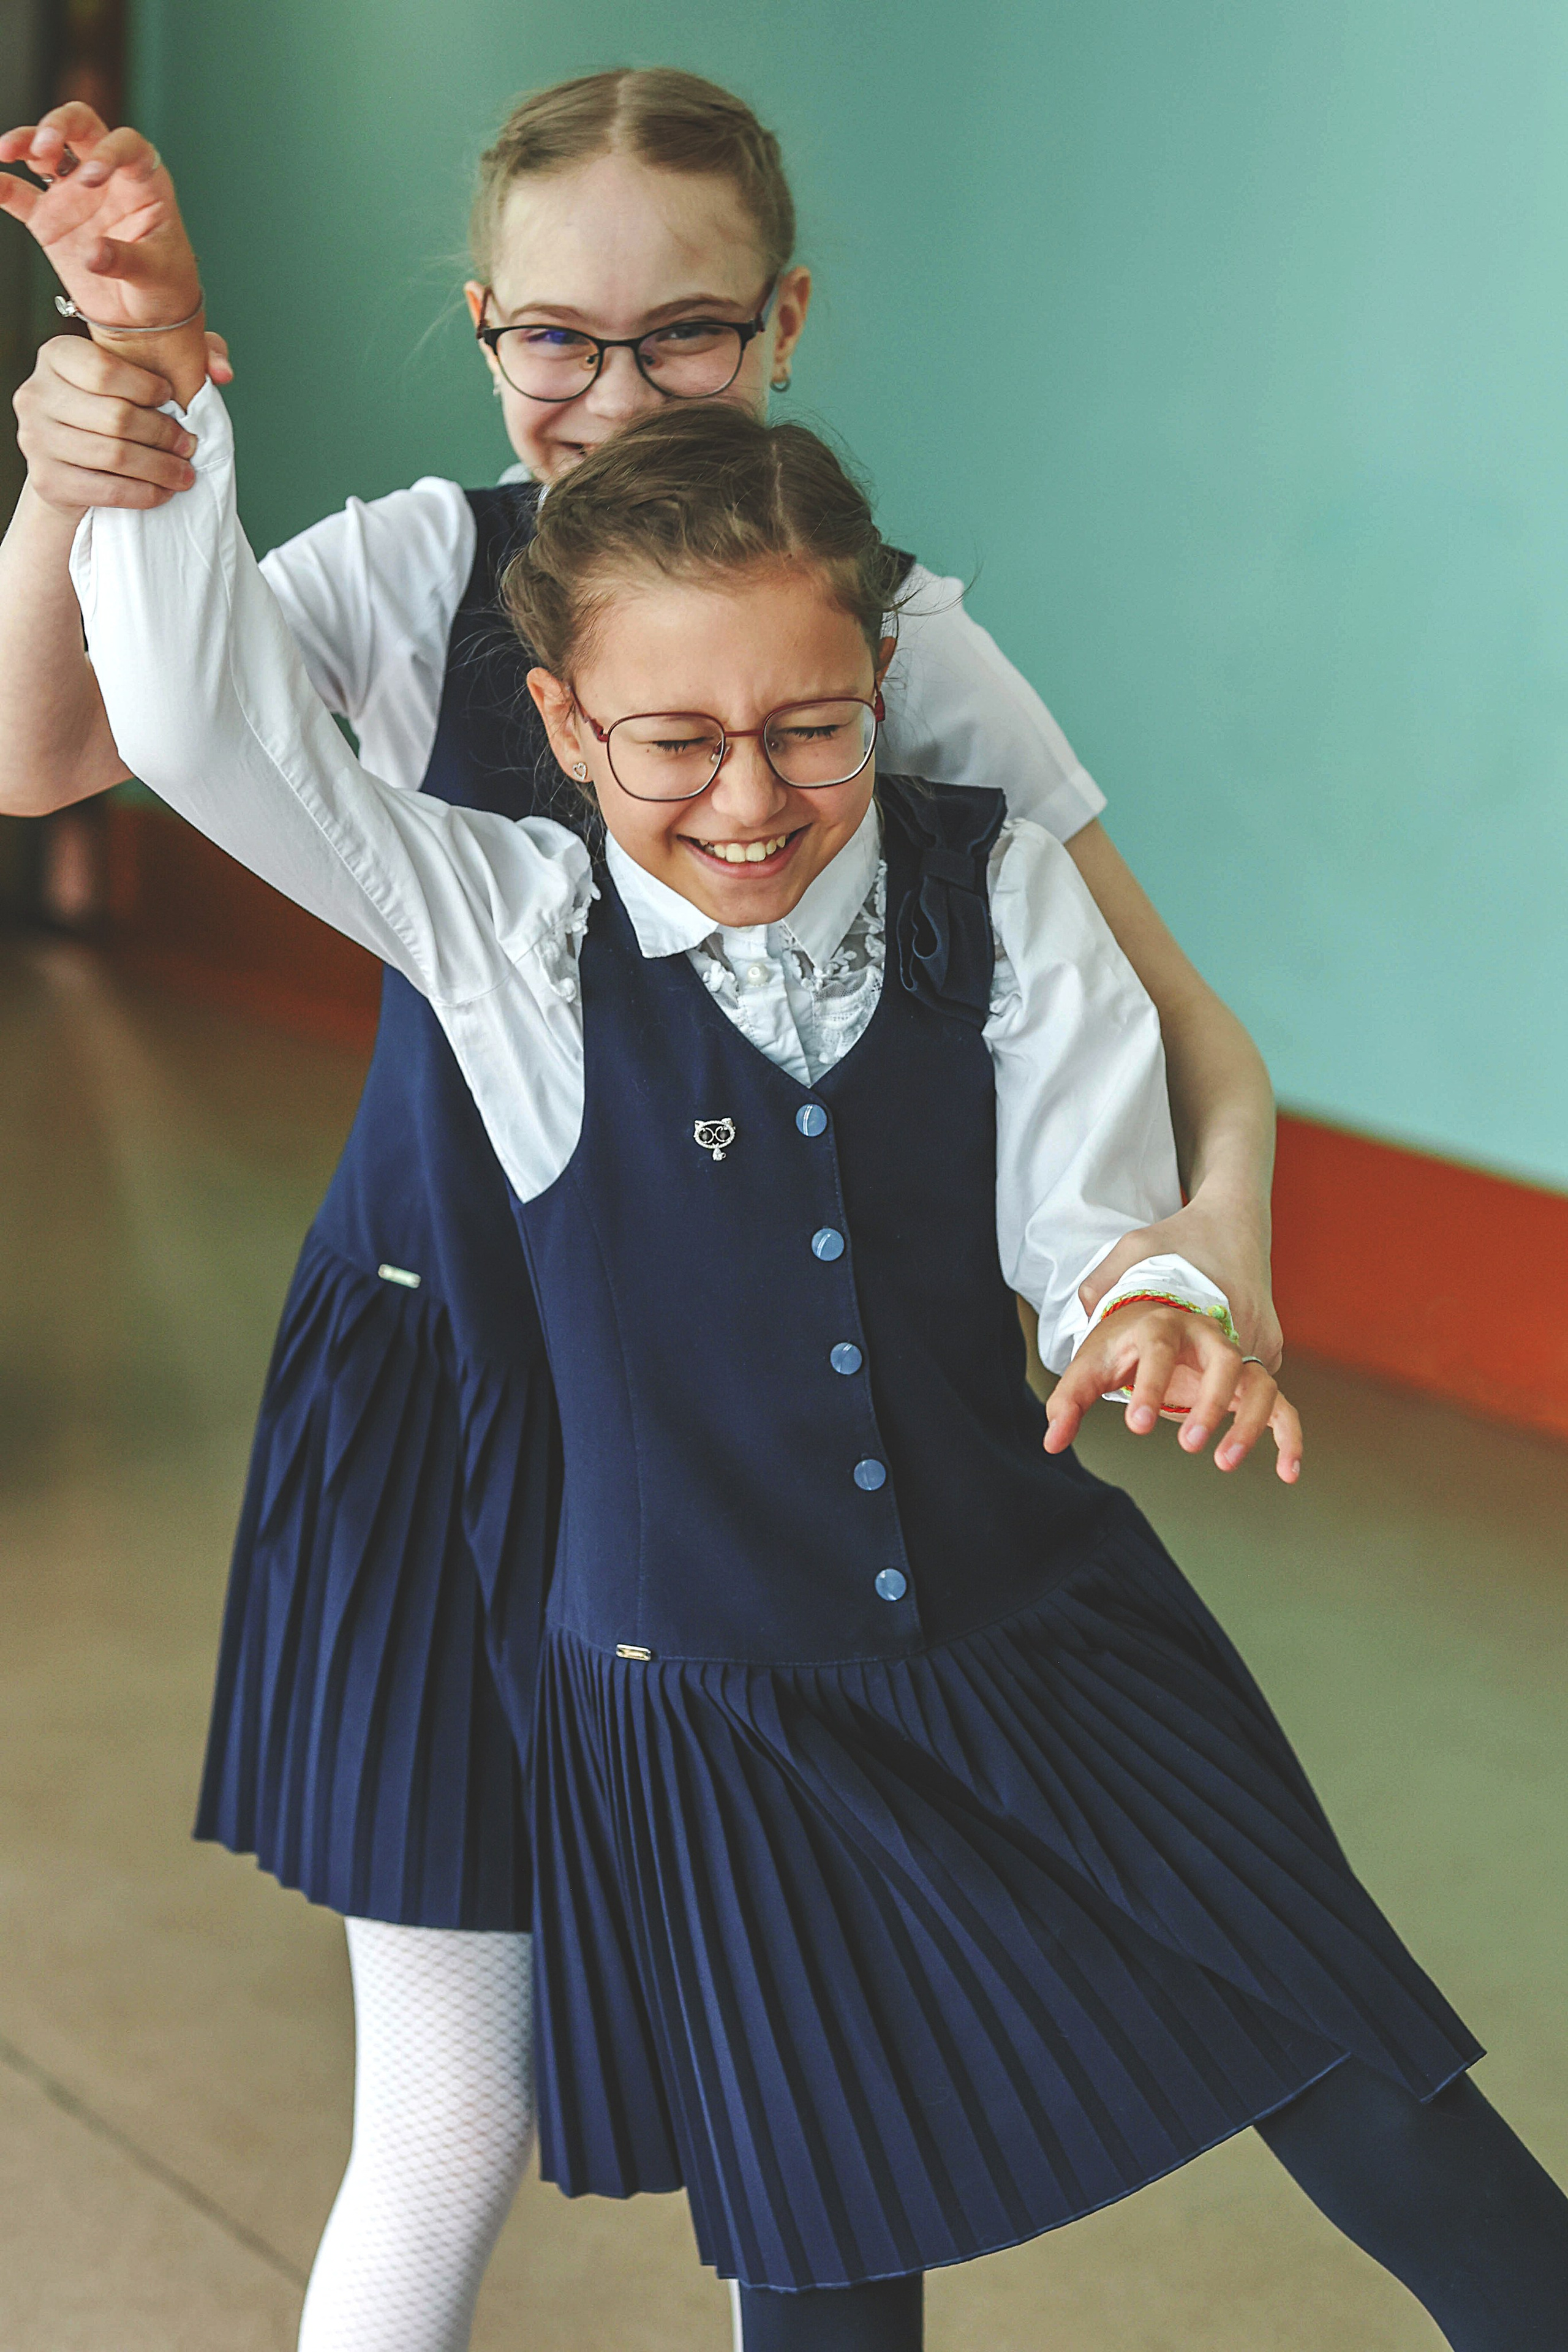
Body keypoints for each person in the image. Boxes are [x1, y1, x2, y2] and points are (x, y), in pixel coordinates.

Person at [71, 301, 1568, 2346]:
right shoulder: (509, 933)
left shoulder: (996, 888)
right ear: (569, 728)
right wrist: (146, 387)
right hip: (708, 1699)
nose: (754, 798)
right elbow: (184, 725)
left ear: (880, 685)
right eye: (675, 741)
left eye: (813, 726)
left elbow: (1088, 1204)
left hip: (1056, 1645)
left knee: (1393, 2111)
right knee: (832, 2253)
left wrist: (1154, 1305)